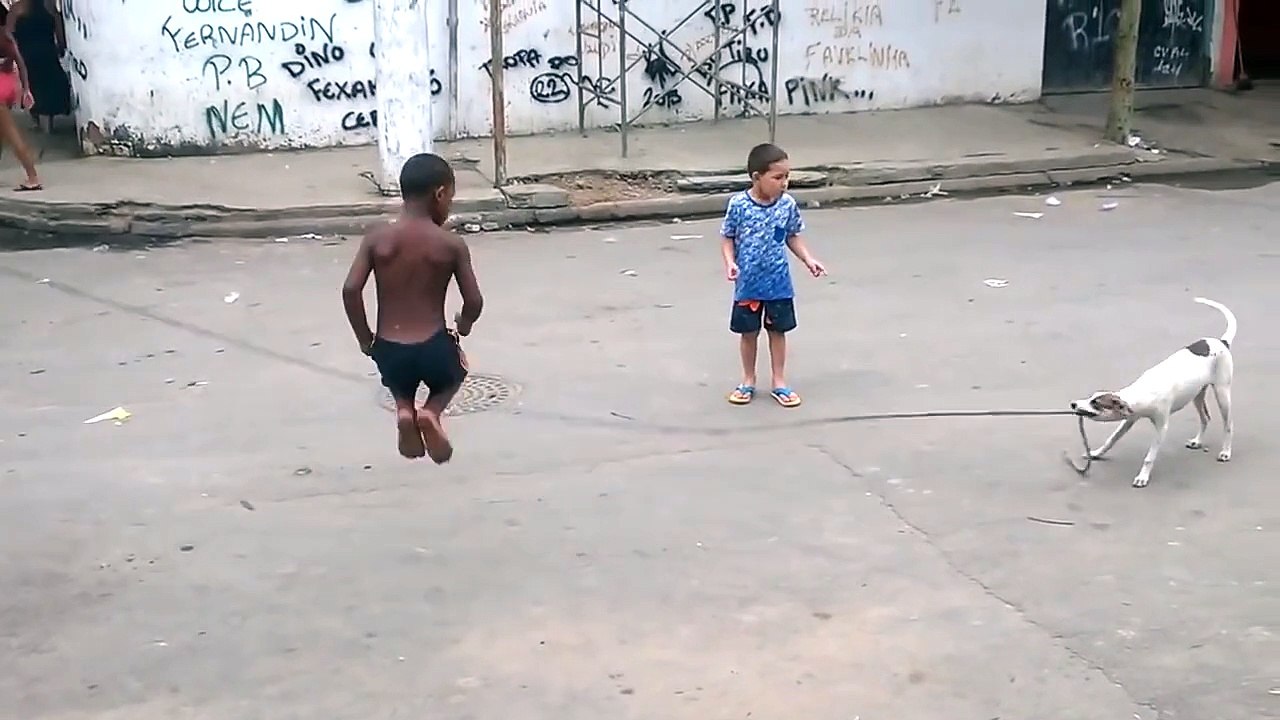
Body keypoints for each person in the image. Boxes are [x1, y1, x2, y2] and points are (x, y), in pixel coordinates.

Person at [342, 153, 483, 463]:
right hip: (433, 347)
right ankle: (431, 413)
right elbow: (474, 301)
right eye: (450, 198)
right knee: (453, 374)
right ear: (440, 194)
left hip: (391, 350)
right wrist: (464, 324)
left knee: (397, 380)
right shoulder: (450, 244)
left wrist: (366, 340)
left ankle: (404, 409)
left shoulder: (377, 239)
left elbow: (351, 290)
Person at [721, 143, 825, 408]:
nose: (784, 183)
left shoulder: (786, 205)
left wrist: (808, 259)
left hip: (778, 282)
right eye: (777, 177)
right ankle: (748, 380)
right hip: (748, 284)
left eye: (786, 177)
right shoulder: (739, 205)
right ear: (757, 177)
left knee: (778, 331)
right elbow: (727, 237)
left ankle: (779, 381)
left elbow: (791, 236)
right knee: (748, 332)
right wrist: (730, 263)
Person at [7, 0, 72, 133]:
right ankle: (48, 121)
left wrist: (14, 48)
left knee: (32, 85)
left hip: (26, 52)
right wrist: (61, 46)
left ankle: (38, 120)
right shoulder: (49, 6)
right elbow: (59, 30)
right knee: (50, 83)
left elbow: (8, 32)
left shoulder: (18, 8)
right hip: (47, 51)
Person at [0, 22, 40, 190]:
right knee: (2, 133)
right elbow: (20, 63)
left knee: (12, 135)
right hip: (7, 83)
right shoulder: (5, 36)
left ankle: (33, 177)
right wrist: (25, 89)